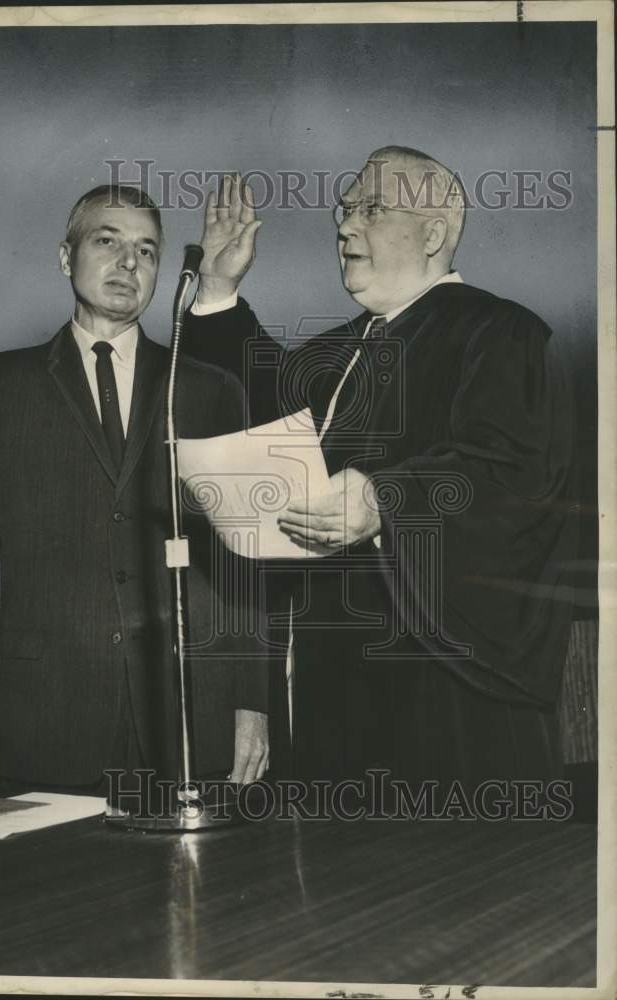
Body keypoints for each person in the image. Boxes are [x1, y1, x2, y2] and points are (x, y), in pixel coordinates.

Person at [182, 149, 578, 796]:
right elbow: (247, 411)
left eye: (370, 210)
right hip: (327, 692)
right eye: (342, 212)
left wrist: (382, 498)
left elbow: (513, 475)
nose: (342, 228)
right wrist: (218, 292)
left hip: (443, 693)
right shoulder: (332, 352)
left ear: (431, 233)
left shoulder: (500, 332)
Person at [0, 184, 268, 794]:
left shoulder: (209, 389)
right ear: (65, 257)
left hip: (195, 715)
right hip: (57, 713)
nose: (128, 263)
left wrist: (252, 702)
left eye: (146, 250)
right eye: (106, 241)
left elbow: (246, 559)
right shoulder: (5, 385)